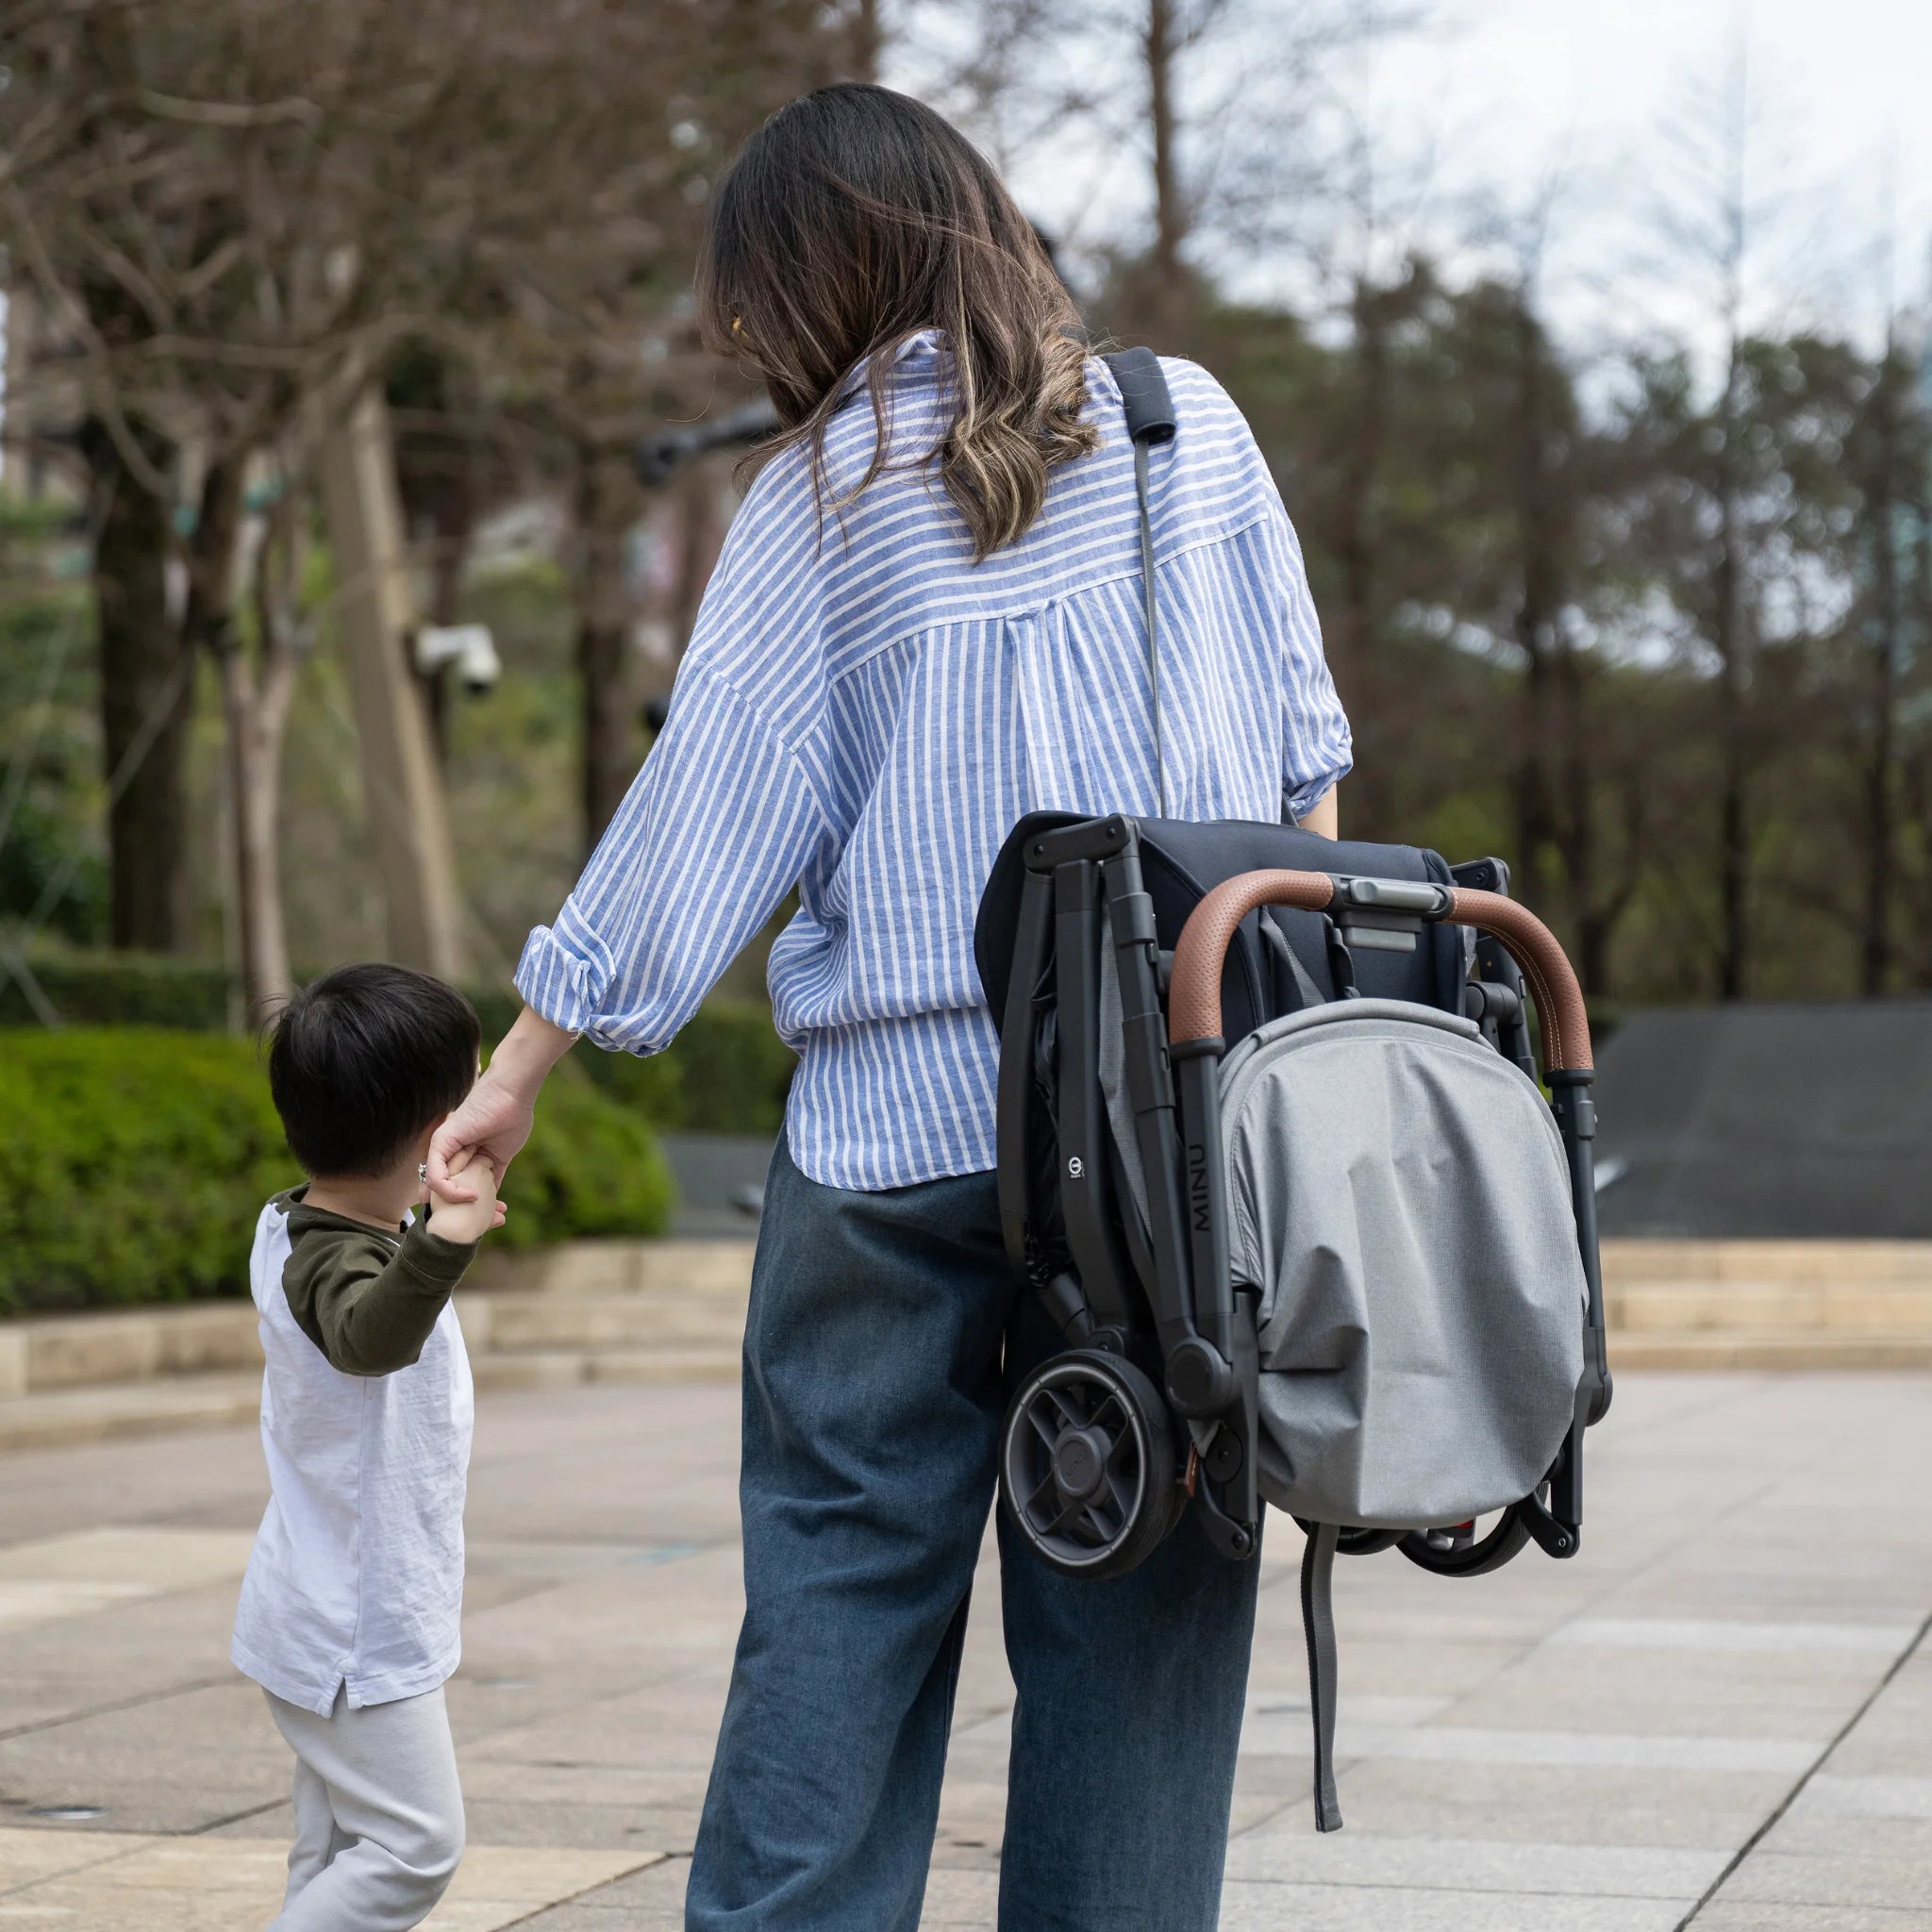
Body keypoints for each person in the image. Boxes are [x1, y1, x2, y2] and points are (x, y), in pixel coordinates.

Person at [427, 83, 1350, 1932]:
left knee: (844, 1595)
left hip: (899, 1140)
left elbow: (708, 819)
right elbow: (1310, 780)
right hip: (1176, 1137)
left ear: (814, 275)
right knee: (1145, 1626)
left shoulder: (824, 501)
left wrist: (519, 1061)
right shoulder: (1192, 430)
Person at [233, 963, 505, 1932]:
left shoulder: (321, 1224)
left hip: (329, 1603)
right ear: (439, 1130)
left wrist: (418, 1230)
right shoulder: (335, 1260)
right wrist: (445, 1235)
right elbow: (367, 1339)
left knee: (341, 1845)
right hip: (349, 1628)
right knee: (411, 1843)